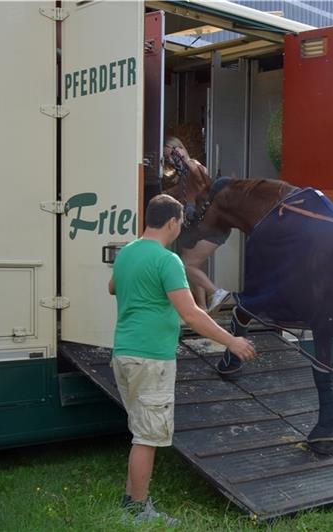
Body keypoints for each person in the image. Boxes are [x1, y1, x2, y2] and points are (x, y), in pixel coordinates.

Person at [108, 194, 256, 524]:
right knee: (148, 437)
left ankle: (130, 500)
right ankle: (139, 509)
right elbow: (191, 314)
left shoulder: (127, 252)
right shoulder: (168, 261)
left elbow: (112, 287)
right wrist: (232, 341)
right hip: (151, 359)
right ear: (173, 222)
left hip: (124, 354)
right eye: (181, 223)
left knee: (140, 431)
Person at [163, 137, 231, 313]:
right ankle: (201, 307)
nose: (171, 160)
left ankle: (216, 292)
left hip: (212, 227)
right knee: (192, 265)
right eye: (168, 158)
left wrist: (183, 159)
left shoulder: (194, 166)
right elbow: (177, 192)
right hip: (199, 226)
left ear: (180, 149)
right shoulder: (182, 177)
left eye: (172, 154)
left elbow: (201, 177)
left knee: (185, 265)